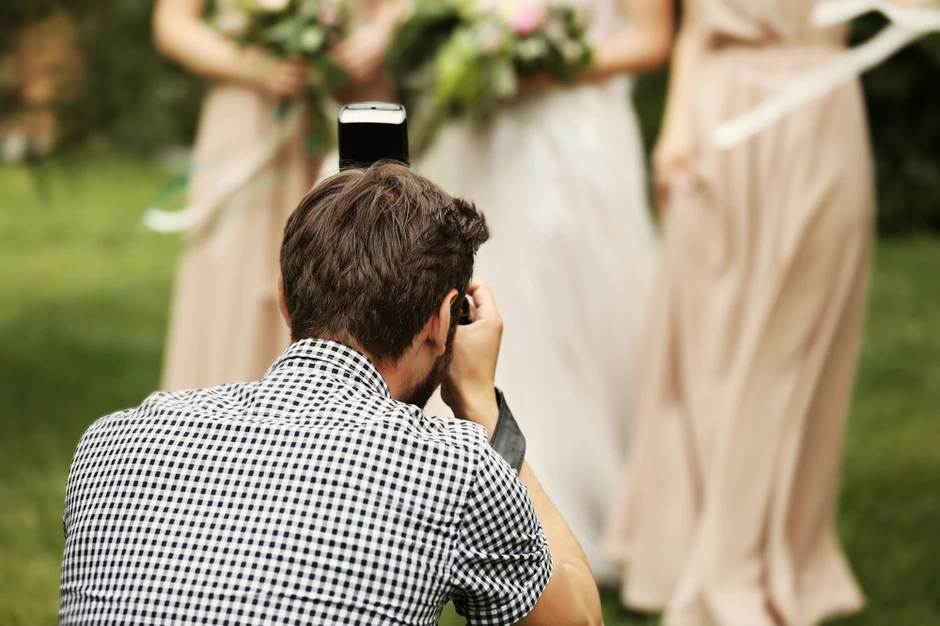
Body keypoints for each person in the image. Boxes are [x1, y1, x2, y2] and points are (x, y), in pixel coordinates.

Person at [59, 164, 602, 626]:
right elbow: (578, 620)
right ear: (443, 322)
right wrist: (482, 405)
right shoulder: (455, 467)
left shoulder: (109, 443)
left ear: (284, 298)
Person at [604, 1, 872, 625]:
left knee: (796, 342)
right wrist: (676, 123)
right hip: (717, 110)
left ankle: (756, 558)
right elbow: (695, 25)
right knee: (707, 336)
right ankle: (685, 551)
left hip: (821, 103)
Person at [418, 0, 673, 582]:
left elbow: (650, 40)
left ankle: (595, 507)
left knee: (583, 318)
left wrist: (545, 62)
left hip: (575, 143)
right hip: (483, 136)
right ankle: (482, 504)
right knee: (491, 303)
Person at [152, 0, 402, 391]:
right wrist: (255, 66)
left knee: (355, 267)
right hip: (249, 118)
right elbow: (173, 25)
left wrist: (380, 34)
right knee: (237, 279)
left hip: (346, 112)